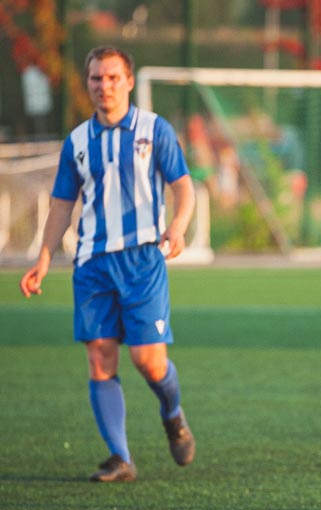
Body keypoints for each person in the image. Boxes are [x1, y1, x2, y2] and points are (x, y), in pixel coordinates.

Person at [19, 45, 197, 483]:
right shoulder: (77, 141)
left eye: (113, 77)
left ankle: (172, 413)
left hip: (142, 260)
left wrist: (177, 227)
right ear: (88, 84)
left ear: (129, 82)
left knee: (148, 361)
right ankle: (121, 457)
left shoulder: (154, 129)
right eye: (97, 78)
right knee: (100, 356)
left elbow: (183, 186)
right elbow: (62, 205)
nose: (105, 85)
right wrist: (43, 259)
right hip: (92, 263)